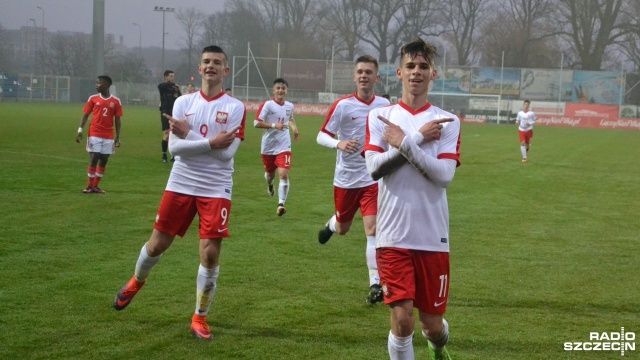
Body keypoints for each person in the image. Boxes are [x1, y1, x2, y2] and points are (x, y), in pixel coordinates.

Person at [113, 45, 246, 342]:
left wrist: (192, 137)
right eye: (206, 62)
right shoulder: (183, 102)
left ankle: (200, 317)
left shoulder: (236, 107)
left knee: (210, 255)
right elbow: (175, 148)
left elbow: (227, 157)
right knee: (157, 245)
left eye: (217, 63)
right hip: (181, 181)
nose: (211, 66)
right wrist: (211, 142)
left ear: (225, 71)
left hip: (216, 186)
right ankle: (136, 281)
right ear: (199, 69)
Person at [363, 38, 460, 360]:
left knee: (432, 326)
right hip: (392, 236)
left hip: (433, 237)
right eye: (410, 66)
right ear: (399, 72)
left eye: (423, 67)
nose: (416, 72)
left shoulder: (447, 121)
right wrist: (416, 139)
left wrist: (404, 143)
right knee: (402, 319)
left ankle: (438, 348)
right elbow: (375, 169)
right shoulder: (381, 117)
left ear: (433, 74)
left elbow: (443, 175)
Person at [316, 55, 390, 304]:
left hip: (372, 178)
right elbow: (320, 136)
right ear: (354, 76)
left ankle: (375, 284)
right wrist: (340, 143)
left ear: (376, 77)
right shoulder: (343, 105)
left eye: (368, 72)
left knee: (373, 229)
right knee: (344, 228)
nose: (363, 75)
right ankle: (332, 223)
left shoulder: (384, 104)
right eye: (360, 71)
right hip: (346, 181)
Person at [254, 78, 299, 216]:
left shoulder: (290, 106)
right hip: (268, 146)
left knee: (283, 174)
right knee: (270, 175)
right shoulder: (267, 105)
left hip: (284, 145)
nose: (281, 90)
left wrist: (295, 129)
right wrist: (274, 125)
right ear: (273, 90)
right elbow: (256, 123)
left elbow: (289, 118)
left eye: (283, 88)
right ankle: (270, 185)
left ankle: (281, 204)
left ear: (286, 91)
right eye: (278, 88)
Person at [75, 75, 122, 194]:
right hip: (94, 133)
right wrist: (80, 130)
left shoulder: (116, 101)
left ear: (107, 84)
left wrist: (118, 136)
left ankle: (96, 186)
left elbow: (117, 119)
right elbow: (85, 115)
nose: (96, 85)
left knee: (104, 159)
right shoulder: (93, 99)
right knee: (94, 157)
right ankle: (89, 186)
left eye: (99, 83)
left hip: (108, 135)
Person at [158, 70, 182, 163]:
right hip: (165, 111)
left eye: (173, 76)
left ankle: (173, 155)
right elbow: (161, 86)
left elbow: (179, 97)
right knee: (167, 133)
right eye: (170, 76)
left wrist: (177, 90)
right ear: (166, 77)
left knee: (175, 133)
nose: (172, 78)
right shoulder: (162, 86)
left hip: (174, 112)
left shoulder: (174, 88)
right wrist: (173, 85)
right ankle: (164, 155)